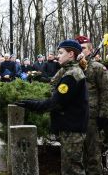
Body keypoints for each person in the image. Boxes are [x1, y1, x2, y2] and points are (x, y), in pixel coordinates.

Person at [15, 39, 89, 175]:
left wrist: (31, 104)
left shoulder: (72, 75)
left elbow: (55, 102)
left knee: (72, 170)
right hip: (71, 127)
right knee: (69, 168)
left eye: (60, 53)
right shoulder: (69, 71)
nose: (57, 56)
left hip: (72, 129)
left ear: (71, 54)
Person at [75, 35, 108, 175]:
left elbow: (106, 92)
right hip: (75, 118)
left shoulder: (98, 68)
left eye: (83, 48)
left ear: (90, 50)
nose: (81, 51)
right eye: (78, 48)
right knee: (76, 157)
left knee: (93, 157)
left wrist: (103, 115)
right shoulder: (70, 69)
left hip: (92, 118)